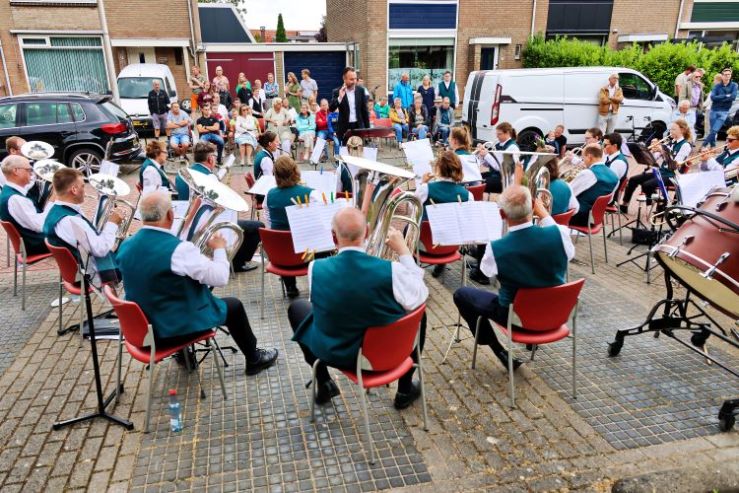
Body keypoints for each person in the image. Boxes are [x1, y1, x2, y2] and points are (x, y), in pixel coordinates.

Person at [117, 191, 278, 374]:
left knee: (173, 291)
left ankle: (183, 355)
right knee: (234, 306)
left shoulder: (126, 245)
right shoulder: (179, 250)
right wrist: (219, 249)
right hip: (171, 331)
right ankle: (254, 359)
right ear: (170, 214)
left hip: (141, 331)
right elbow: (220, 278)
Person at [288, 207, 428, 407]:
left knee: (298, 308)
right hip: (383, 356)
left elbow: (320, 307)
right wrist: (404, 251)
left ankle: (324, 381)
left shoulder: (315, 268)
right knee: (417, 314)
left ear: (333, 237)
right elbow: (421, 295)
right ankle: (405, 389)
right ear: (368, 232)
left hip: (336, 355)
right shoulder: (392, 270)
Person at [453, 185, 574, 371]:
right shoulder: (560, 233)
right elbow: (569, 253)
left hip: (516, 319)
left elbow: (486, 272)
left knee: (462, 294)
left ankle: (499, 350)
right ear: (533, 206)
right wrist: (544, 214)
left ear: (502, 214)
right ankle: (525, 343)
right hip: (555, 314)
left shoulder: (497, 248)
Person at [43, 168, 121, 279]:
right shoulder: (72, 220)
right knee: (135, 251)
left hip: (76, 269)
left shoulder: (52, 210)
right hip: (93, 274)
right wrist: (113, 223)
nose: (85, 191)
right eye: (83, 186)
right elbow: (101, 250)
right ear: (74, 190)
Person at [263, 155, 321, 298]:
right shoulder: (311, 194)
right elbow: (320, 224)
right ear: (295, 171)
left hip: (280, 256)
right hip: (307, 255)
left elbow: (269, 223)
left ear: (276, 175)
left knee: (283, 238)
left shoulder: (269, 195)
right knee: (324, 241)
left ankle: (290, 286)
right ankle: (320, 284)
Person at [415, 150, 473, 277]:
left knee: (409, 228)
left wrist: (423, 183)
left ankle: (411, 271)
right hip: (452, 247)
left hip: (426, 247)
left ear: (438, 168)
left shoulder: (426, 189)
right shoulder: (468, 195)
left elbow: (412, 208)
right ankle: (441, 265)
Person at [620, 120, 692, 211]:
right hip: (661, 173)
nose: (670, 132)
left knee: (647, 185)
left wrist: (662, 151)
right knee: (633, 180)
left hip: (672, 175)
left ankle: (661, 202)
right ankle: (624, 205)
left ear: (682, 130)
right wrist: (652, 150)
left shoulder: (685, 145)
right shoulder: (670, 142)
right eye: (670, 129)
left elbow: (675, 164)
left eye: (674, 129)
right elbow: (654, 159)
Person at [0, 155, 52, 255]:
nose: (31, 173)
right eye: (28, 170)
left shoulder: (7, 190)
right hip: (36, 244)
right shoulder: (16, 199)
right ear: (16, 171)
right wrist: (53, 201)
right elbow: (39, 226)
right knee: (72, 234)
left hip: (30, 241)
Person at [568, 144, 619, 226]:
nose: (583, 161)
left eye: (583, 158)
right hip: (594, 219)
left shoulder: (588, 173)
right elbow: (609, 200)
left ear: (589, 156)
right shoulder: (615, 176)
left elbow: (568, 193)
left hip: (577, 217)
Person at [475, 122, 520, 195]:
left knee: (477, 183)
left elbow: (500, 167)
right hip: (495, 175)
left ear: (507, 133)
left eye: (499, 134)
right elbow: (487, 165)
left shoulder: (512, 147)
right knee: (475, 178)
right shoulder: (498, 145)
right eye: (497, 134)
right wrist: (482, 155)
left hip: (505, 180)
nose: (497, 136)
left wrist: (487, 155)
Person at [329, 67, 370, 143]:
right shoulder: (337, 91)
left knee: (358, 148)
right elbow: (331, 108)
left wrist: (368, 130)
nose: (354, 81)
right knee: (345, 149)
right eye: (351, 79)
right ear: (344, 79)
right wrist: (340, 97)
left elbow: (365, 111)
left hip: (358, 127)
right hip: (344, 128)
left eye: (355, 79)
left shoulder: (361, 91)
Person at [704, 67, 738, 148]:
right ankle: (712, 145)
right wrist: (726, 96)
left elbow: (732, 97)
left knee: (713, 130)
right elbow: (714, 98)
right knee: (713, 130)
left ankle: (706, 145)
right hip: (716, 110)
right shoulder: (717, 89)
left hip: (715, 110)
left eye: (714, 80)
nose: (713, 81)